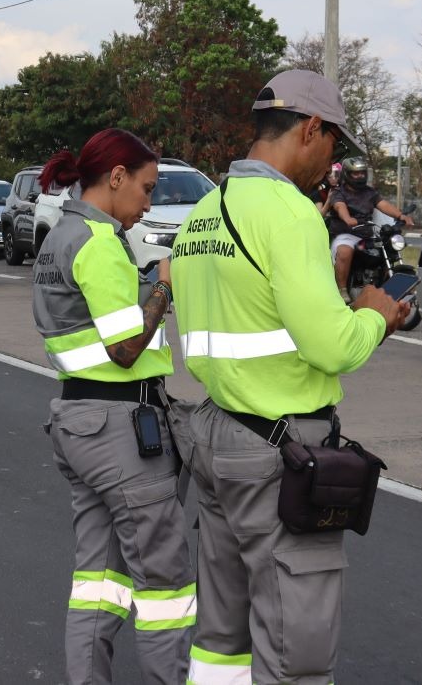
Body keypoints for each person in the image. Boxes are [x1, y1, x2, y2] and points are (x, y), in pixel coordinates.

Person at [172, 69, 408, 685]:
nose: (333, 166)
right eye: (335, 147)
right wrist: (375, 319)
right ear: (311, 129)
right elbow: (332, 347)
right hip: (280, 452)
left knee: (222, 635)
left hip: (216, 434)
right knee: (295, 653)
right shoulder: (290, 213)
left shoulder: (203, 212)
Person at [32, 128, 193, 685]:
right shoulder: (98, 241)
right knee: (164, 586)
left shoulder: (60, 236)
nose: (149, 203)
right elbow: (126, 349)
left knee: (97, 583)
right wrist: (162, 288)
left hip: (77, 419)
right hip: (122, 428)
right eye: (146, 188)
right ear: (117, 177)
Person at [329, 155, 415, 302]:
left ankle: (380, 286)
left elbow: (383, 205)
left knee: (385, 249)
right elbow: (339, 206)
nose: (360, 176)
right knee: (345, 251)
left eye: (362, 172)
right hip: (345, 234)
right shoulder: (339, 192)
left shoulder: (369, 192)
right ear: (347, 174)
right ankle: (342, 290)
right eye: (356, 173)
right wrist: (348, 218)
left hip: (366, 234)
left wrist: (401, 216)